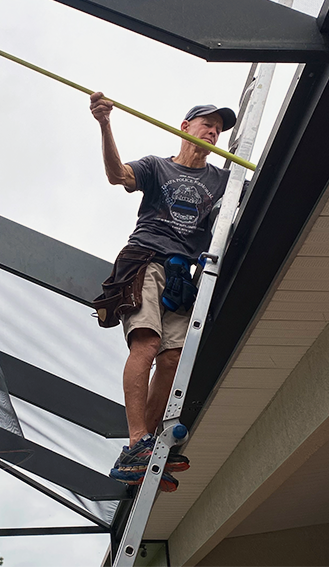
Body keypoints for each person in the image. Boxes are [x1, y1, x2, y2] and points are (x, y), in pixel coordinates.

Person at [89, 91, 237, 492]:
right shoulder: (157, 167)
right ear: (185, 127)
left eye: (219, 128)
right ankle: (136, 441)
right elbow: (117, 174)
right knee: (148, 345)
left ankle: (145, 449)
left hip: (181, 276)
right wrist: (105, 124)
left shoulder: (225, 179)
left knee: (173, 359)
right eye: (207, 123)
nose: (214, 131)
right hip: (146, 261)